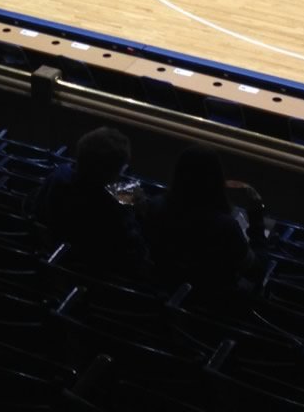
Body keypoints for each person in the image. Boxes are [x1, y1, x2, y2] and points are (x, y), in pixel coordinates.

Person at [32, 126, 149, 278]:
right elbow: (136, 256)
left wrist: (123, 193)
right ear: (113, 174)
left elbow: (90, 187)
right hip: (91, 274)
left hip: (55, 254)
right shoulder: (114, 211)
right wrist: (138, 210)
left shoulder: (58, 176)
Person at [138, 146, 254, 294]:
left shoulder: (155, 207)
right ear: (216, 180)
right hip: (211, 303)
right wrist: (257, 221)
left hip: (161, 291)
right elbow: (252, 267)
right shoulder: (226, 226)